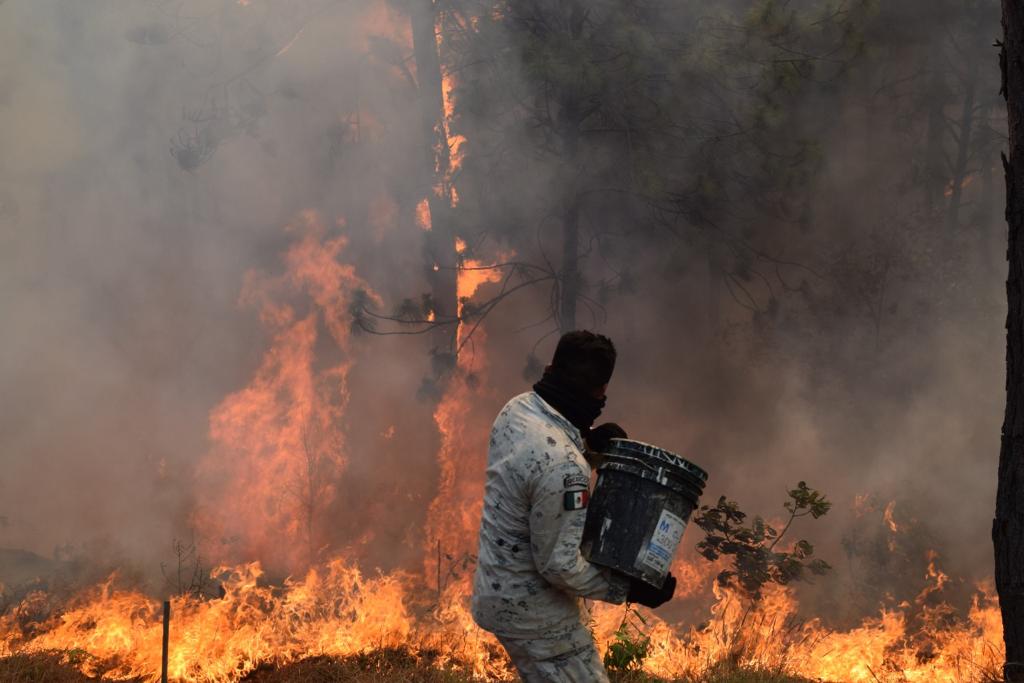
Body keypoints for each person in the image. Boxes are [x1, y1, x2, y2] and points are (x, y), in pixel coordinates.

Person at [471, 330, 677, 682]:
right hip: (534, 615)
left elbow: (534, 478)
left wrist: (588, 448)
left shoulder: (515, 410)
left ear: (551, 368)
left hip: (495, 588)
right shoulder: (566, 468)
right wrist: (628, 589)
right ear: (600, 393)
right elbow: (559, 566)